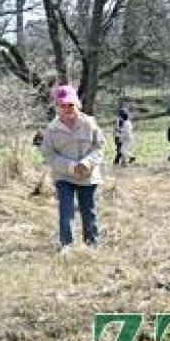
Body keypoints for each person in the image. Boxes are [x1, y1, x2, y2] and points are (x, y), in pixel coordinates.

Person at [40, 85, 104, 247]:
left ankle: (92, 243)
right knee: (66, 211)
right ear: (57, 108)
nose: (68, 109)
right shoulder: (51, 130)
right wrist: (69, 166)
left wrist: (86, 163)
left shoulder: (89, 123)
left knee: (88, 211)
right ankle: (66, 244)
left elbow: (100, 147)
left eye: (71, 105)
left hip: (88, 176)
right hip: (64, 176)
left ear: (77, 105)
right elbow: (48, 154)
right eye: (63, 105)